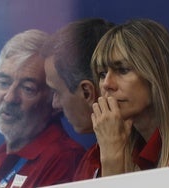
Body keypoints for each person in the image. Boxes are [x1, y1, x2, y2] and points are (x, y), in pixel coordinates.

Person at [90, 18, 169, 177]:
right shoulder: (121, 143)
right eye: (102, 74)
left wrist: (112, 160)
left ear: (158, 76)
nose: (106, 84)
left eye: (123, 70)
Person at [0, 29, 85, 188]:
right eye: (4, 83)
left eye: (28, 88)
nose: (9, 97)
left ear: (55, 99)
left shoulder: (64, 159)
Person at [40, 18, 115, 181]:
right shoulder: (89, 161)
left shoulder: (162, 157)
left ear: (87, 92)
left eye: (56, 92)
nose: (55, 103)